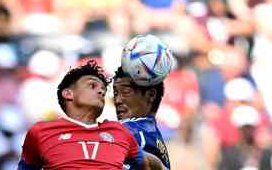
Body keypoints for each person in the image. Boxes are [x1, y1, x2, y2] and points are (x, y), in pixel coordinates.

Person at [18, 60, 168, 170]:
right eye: (92, 85)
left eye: (103, 88)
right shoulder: (40, 132)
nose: (101, 91)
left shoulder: (119, 132)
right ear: (68, 93)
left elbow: (150, 164)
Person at [113, 66, 171, 170]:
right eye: (115, 93)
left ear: (151, 95)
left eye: (126, 92)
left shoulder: (131, 132)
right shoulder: (152, 133)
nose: (117, 100)